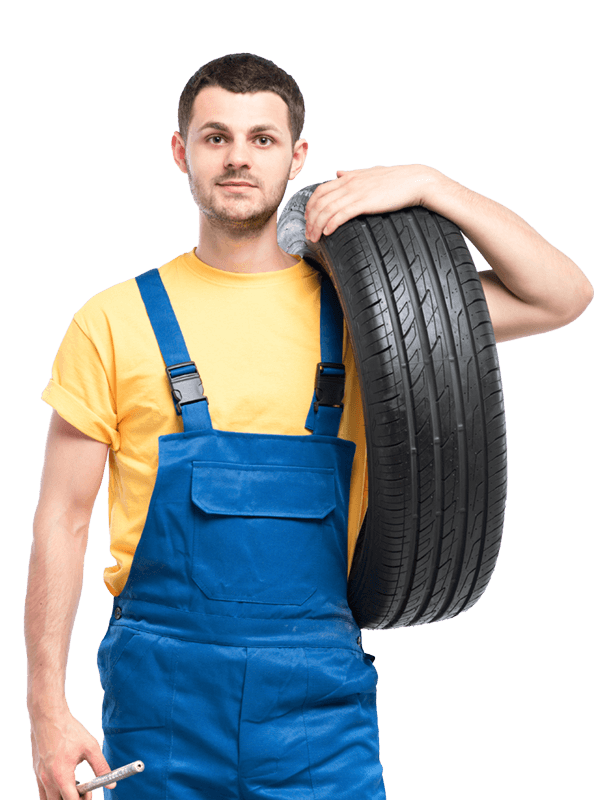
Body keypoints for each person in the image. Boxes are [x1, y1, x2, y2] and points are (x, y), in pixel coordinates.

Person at [25, 52, 593, 800]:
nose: (237, 158)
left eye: (263, 139)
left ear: (297, 158)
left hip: (317, 711)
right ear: (180, 152)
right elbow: (61, 520)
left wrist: (430, 183)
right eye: (216, 136)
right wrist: (45, 714)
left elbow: (563, 296)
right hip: (162, 699)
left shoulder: (375, 314)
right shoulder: (111, 320)